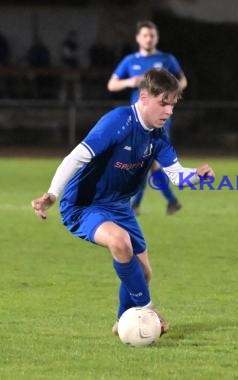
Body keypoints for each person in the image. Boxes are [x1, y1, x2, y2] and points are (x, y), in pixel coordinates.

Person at [31, 68, 214, 336]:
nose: (169, 111)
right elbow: (76, 157)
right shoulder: (119, 121)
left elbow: (176, 176)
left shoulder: (158, 137)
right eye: (164, 103)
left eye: (173, 105)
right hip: (84, 205)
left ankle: (123, 325)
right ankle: (149, 309)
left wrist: (197, 176)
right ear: (144, 97)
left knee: (143, 275)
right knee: (120, 242)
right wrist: (52, 194)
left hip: (119, 207)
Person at [107, 20, 188, 216]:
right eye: (145, 35)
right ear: (138, 38)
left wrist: (169, 92)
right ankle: (169, 201)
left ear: (157, 38)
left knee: (147, 159)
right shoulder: (130, 60)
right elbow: (111, 85)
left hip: (159, 116)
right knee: (147, 161)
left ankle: (138, 204)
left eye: (152, 35)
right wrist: (130, 81)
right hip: (137, 118)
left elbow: (183, 81)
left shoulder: (166, 59)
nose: (149, 38)